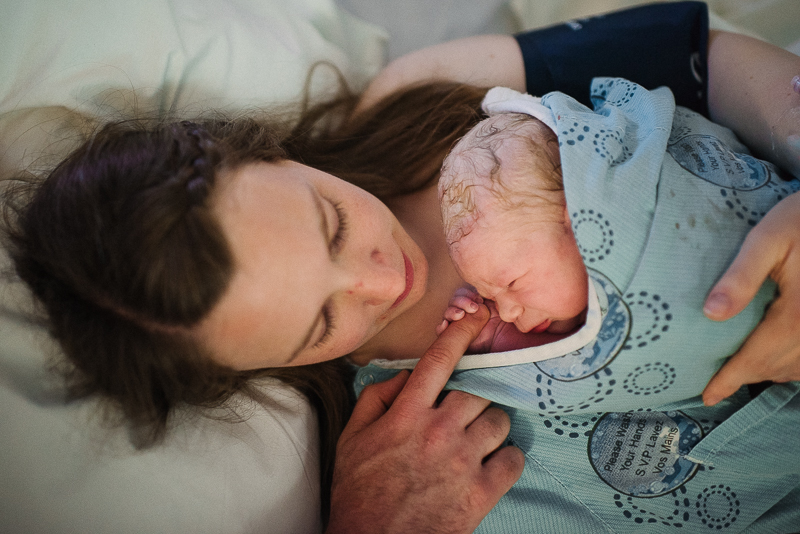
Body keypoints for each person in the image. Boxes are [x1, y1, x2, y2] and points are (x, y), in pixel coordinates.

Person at [2, 2, 799, 532]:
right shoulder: (376, 448)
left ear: (265, 150)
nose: (384, 283)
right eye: (320, 322)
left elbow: (696, 53)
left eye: (334, 221)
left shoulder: (422, 105)